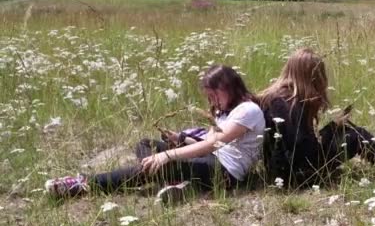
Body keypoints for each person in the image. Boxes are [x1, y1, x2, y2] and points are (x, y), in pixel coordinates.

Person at [45, 65, 266, 200]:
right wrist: (180, 139)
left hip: (225, 172)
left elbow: (212, 145)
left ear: (229, 87)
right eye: (209, 97)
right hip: (208, 159)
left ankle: (83, 184)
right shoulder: (223, 112)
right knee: (146, 145)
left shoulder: (248, 110)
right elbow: (208, 141)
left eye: (214, 94)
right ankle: (174, 180)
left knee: (160, 162)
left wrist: (167, 155)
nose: (212, 101)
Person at [260, 48, 375, 189]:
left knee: (348, 130)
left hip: (282, 171)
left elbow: (293, 143)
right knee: (355, 136)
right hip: (295, 176)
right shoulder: (289, 102)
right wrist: (331, 130)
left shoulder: (277, 97)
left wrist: (332, 128)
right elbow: (302, 147)